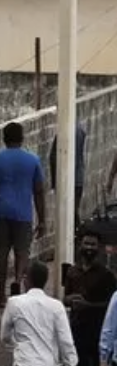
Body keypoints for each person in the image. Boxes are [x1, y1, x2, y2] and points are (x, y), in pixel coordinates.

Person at [1, 261, 76, 366]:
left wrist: (18, 344)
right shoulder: (56, 306)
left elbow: (5, 336)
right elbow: (66, 341)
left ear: (27, 280)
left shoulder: (14, 303)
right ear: (45, 281)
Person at [0, 121, 46, 304]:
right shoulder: (33, 160)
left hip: (2, 212)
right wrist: (42, 220)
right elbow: (39, 191)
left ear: (4, 139)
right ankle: (18, 284)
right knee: (22, 253)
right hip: (23, 214)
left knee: (1, 253)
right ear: (22, 138)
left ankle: (0, 295)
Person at [64, 232, 117, 366]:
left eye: (93, 244)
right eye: (86, 243)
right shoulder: (72, 271)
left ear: (99, 248)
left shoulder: (107, 275)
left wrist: (88, 305)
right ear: (80, 245)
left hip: (97, 332)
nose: (89, 247)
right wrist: (69, 300)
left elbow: (111, 306)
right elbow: (65, 298)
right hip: (76, 330)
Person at [48, 121, 87, 230]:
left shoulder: (63, 131)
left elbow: (53, 157)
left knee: (67, 213)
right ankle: (77, 233)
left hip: (65, 178)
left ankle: (76, 233)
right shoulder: (80, 130)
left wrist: (54, 182)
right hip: (78, 177)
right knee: (73, 210)